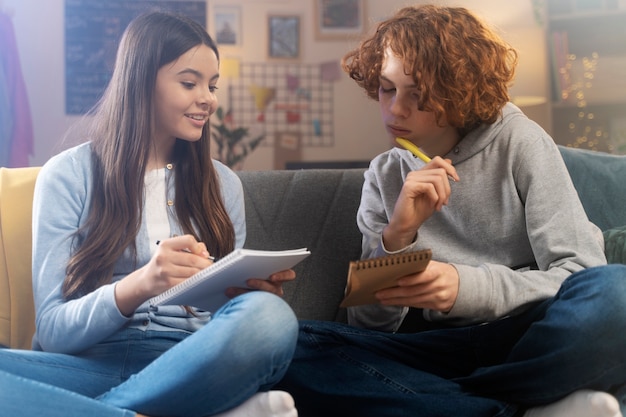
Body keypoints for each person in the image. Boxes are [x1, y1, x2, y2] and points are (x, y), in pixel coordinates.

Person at [275, 5, 626, 417]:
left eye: (418, 95)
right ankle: (519, 407)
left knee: (617, 294)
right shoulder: (384, 174)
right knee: (290, 344)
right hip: (429, 350)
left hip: (525, 336)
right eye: (387, 89)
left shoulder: (519, 141)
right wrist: (398, 235)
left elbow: (580, 272)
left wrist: (466, 287)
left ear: (460, 90)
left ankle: (453, 402)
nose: (395, 110)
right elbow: (370, 325)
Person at [0, 11, 299, 417]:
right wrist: (142, 283)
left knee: (271, 317)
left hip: (188, 362)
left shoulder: (224, 185)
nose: (208, 99)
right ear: (141, 82)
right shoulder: (68, 175)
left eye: (211, 86)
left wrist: (244, 296)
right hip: (87, 365)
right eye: (190, 83)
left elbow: (228, 323)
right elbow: (53, 331)